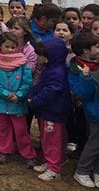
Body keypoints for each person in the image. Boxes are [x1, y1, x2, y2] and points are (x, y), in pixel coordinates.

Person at [0, 32, 36, 166]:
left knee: (21, 130)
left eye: (13, 47)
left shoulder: (22, 63)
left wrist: (19, 95)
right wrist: (5, 93)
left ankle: (28, 154)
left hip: (17, 103)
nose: (10, 50)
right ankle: (5, 150)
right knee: (3, 128)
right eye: (7, 47)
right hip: (1, 102)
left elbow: (27, 82)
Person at [68, 32, 99, 188]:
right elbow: (82, 94)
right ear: (86, 50)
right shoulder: (75, 69)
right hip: (94, 110)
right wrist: (86, 78)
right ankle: (82, 170)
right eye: (96, 46)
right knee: (95, 141)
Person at [27, 38, 70, 181]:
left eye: (41, 55)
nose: (38, 58)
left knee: (53, 141)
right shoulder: (50, 69)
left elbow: (50, 92)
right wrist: (32, 94)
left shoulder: (57, 72)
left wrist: (34, 101)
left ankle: (54, 169)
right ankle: (50, 162)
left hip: (53, 112)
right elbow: (41, 86)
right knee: (47, 139)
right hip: (47, 111)